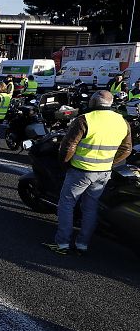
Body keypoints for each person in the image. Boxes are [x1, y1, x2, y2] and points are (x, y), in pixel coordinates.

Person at [44, 91, 132, 255]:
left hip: (81, 170)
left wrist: (64, 164)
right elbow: (127, 149)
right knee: (90, 208)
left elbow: (68, 146)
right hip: (103, 172)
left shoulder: (85, 119)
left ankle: (62, 243)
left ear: (93, 102)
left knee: (66, 204)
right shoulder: (122, 121)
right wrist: (109, 163)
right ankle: (82, 244)